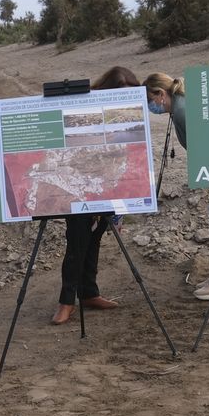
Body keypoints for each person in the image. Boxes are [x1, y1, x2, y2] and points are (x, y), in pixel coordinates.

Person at [143, 73, 209, 300]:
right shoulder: (180, 105)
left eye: (149, 99)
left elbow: (208, 146)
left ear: (161, 94)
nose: (149, 106)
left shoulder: (182, 111)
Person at [52, 65, 141, 325]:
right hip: (79, 187)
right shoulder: (83, 110)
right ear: (107, 92)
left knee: (94, 240)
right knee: (77, 242)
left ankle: (89, 293)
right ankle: (66, 301)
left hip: (109, 186)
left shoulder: (125, 118)